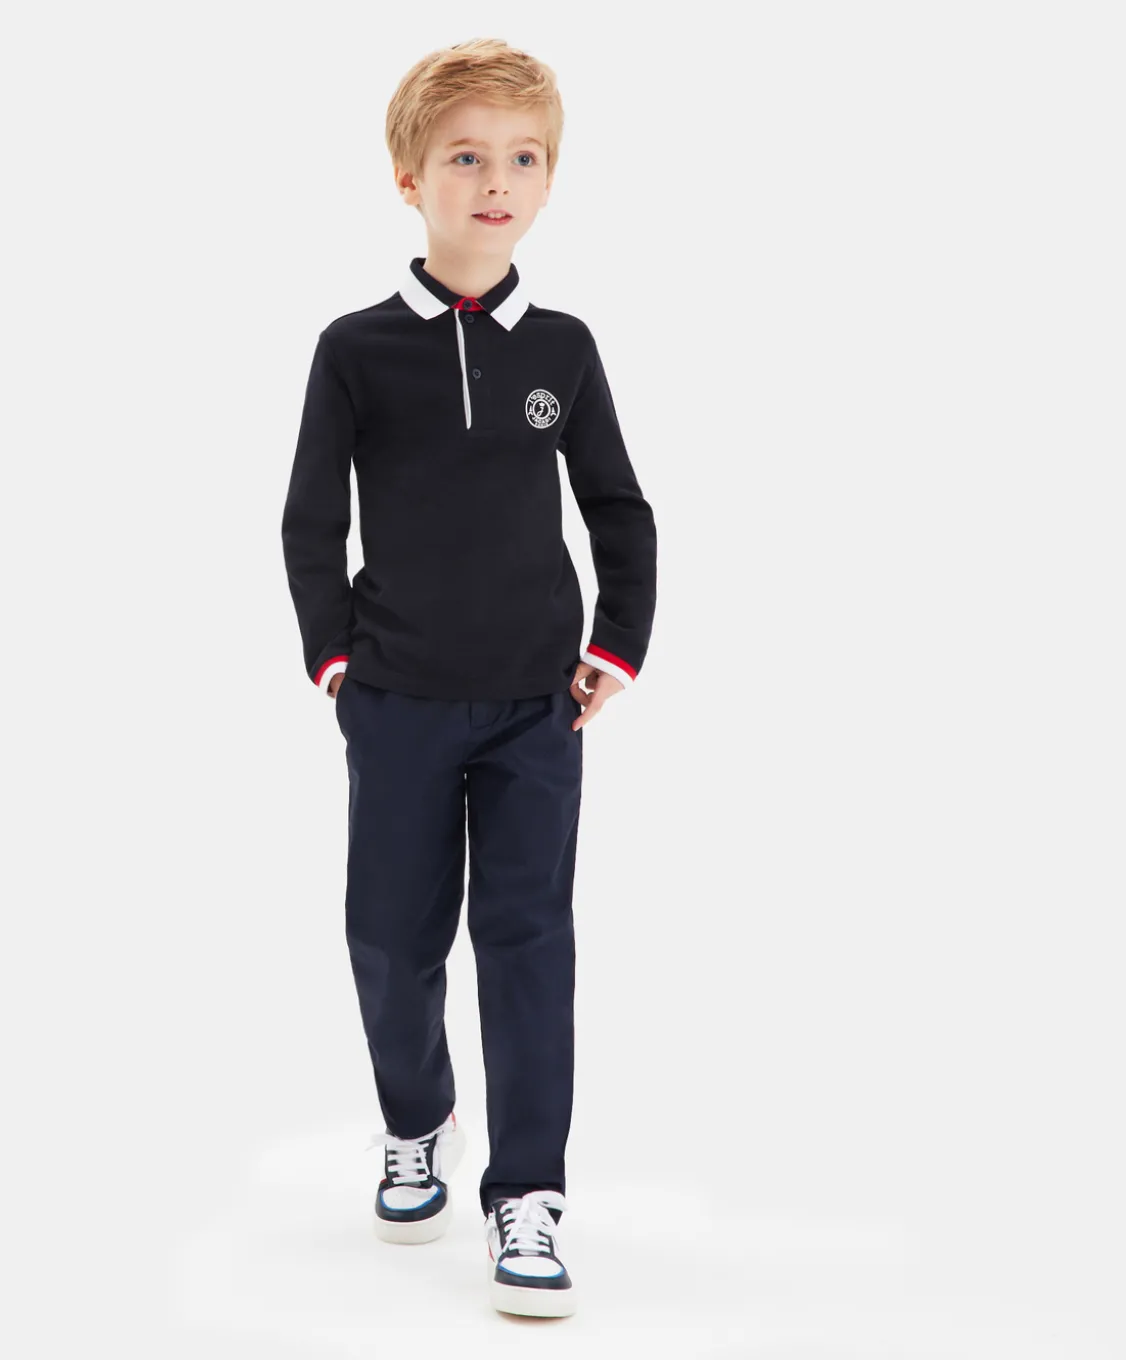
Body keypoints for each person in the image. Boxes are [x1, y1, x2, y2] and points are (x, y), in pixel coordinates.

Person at [279, 37, 656, 1319]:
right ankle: (415, 1121)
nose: (496, 181)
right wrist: (335, 655)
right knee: (390, 938)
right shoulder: (353, 350)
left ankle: (528, 1194)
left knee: (527, 940)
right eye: (466, 157)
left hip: (535, 706)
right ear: (409, 179)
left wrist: (614, 646)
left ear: (547, 180)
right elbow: (308, 520)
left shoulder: (565, 348)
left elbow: (619, 509)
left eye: (524, 158)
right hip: (393, 699)